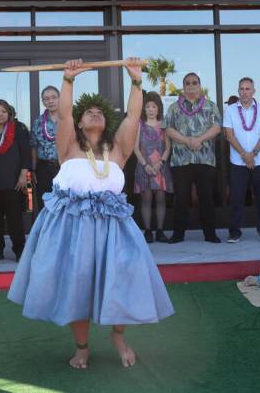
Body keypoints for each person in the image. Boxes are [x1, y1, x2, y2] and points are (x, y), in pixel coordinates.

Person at [9, 59, 173, 370]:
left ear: (107, 120)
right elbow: (65, 113)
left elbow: (134, 115)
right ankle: (82, 347)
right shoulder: (68, 146)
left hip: (113, 227)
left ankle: (118, 336)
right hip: (72, 226)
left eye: (99, 111)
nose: (94, 113)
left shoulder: (120, 150)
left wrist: (136, 81)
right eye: (88, 112)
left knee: (122, 281)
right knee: (78, 286)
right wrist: (68, 80)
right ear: (79, 123)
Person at [164, 73, 222, 243]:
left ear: (200, 85)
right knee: (181, 198)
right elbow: (168, 129)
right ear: (183, 87)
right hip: (181, 160)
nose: (191, 86)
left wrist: (200, 139)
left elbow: (217, 127)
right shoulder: (174, 108)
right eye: (187, 83)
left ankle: (210, 234)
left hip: (205, 160)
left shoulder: (211, 106)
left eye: (194, 83)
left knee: (206, 198)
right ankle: (178, 234)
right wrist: (187, 141)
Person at [223, 77, 260, 243]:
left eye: (247, 89)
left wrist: (253, 153)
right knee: (237, 198)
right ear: (238, 91)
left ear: (253, 91)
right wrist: (245, 155)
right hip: (237, 162)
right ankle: (235, 233)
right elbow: (229, 136)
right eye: (241, 89)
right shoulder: (230, 110)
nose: (244, 92)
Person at [0, 99, 31, 262]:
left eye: (3, 111)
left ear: (9, 113)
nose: (0, 114)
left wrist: (24, 174)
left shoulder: (19, 129)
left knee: (14, 218)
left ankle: (19, 250)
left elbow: (25, 153)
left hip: (13, 182)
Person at [132, 90, 172, 243]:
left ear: (159, 108)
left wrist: (160, 163)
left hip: (160, 167)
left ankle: (160, 231)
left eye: (153, 107)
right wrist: (145, 165)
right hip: (144, 167)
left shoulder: (164, 125)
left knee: (161, 198)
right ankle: (148, 231)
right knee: (146, 198)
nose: (150, 110)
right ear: (144, 109)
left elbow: (168, 147)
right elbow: (135, 148)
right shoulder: (139, 125)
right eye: (147, 106)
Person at [30, 85, 60, 213]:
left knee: (66, 202)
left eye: (53, 97)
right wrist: (33, 169)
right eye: (46, 99)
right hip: (43, 168)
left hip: (64, 167)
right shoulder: (38, 121)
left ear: (60, 98)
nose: (50, 101)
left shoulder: (70, 119)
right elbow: (34, 147)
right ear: (43, 102)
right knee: (46, 205)